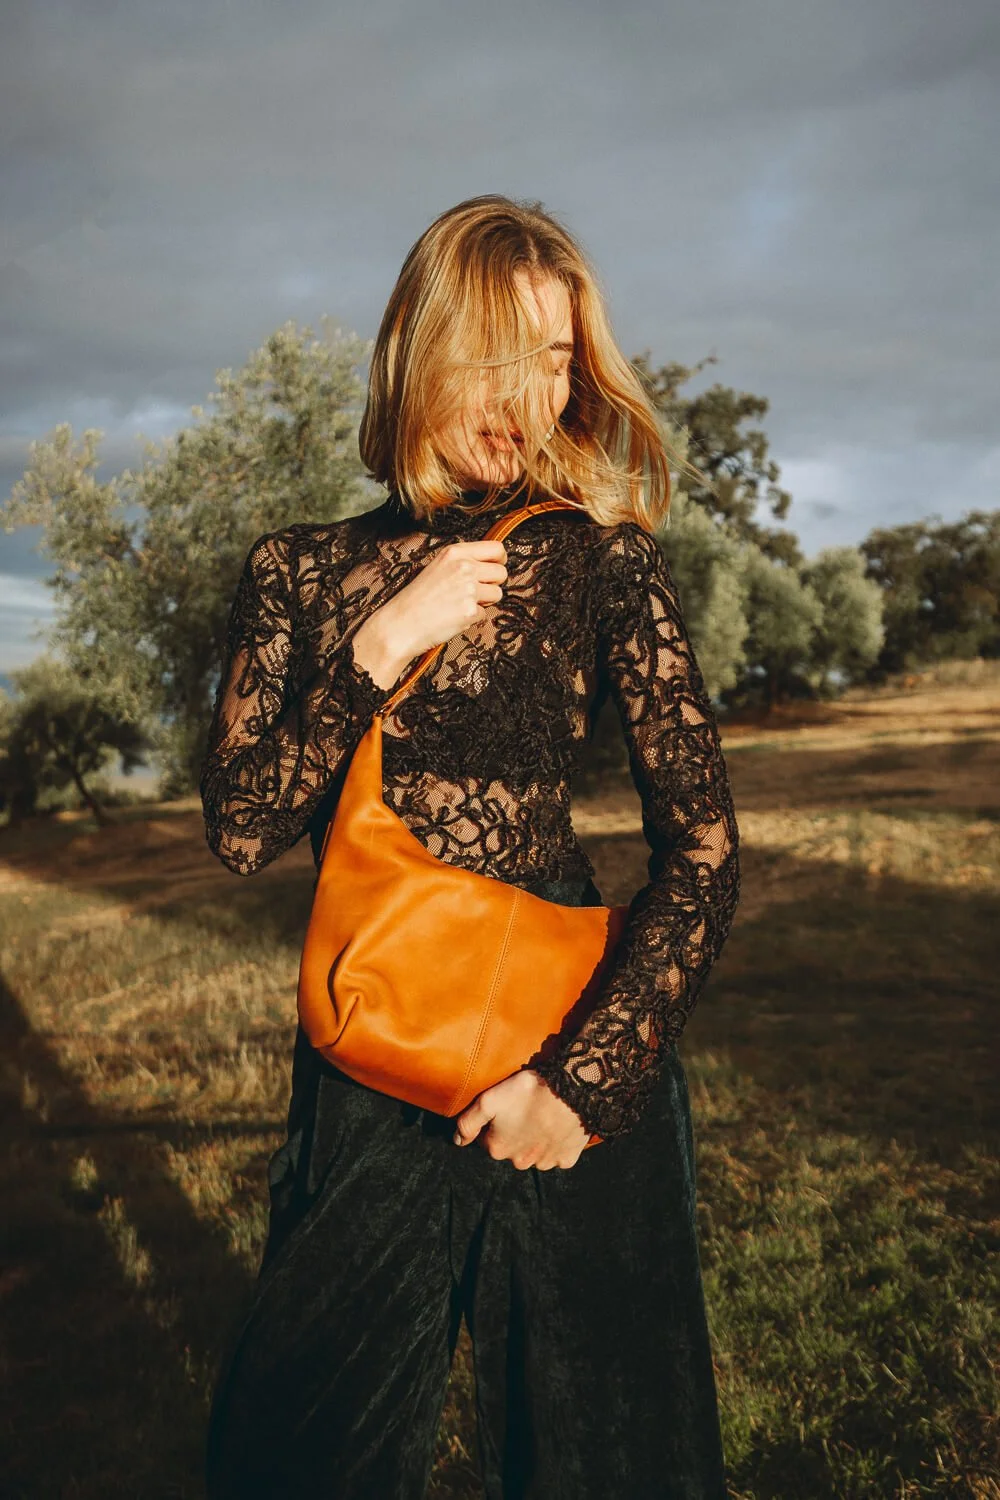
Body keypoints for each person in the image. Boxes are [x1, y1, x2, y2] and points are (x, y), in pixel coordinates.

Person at [199, 194, 741, 1500]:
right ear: (424, 349)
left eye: (558, 361)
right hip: (374, 1048)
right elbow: (242, 828)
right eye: (504, 356)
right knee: (299, 1447)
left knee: (612, 1457)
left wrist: (585, 1087)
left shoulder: (602, 562)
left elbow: (706, 858)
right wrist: (378, 646)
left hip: (571, 1040)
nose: (533, 396)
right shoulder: (301, 571)